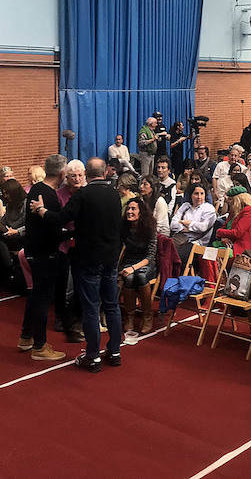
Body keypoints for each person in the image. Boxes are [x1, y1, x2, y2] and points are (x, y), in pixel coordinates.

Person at [33, 158, 123, 371]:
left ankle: (93, 356)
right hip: (111, 257)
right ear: (105, 173)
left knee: (91, 306)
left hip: (88, 258)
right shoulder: (114, 193)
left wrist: (41, 210)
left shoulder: (83, 194)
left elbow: (61, 217)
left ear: (86, 174)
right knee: (111, 305)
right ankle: (115, 351)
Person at [19, 154, 69, 361]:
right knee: (41, 299)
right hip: (45, 254)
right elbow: (56, 229)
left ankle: (26, 337)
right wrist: (72, 233)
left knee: (35, 296)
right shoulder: (50, 196)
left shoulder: (36, 190)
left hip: (32, 250)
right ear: (62, 173)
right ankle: (39, 346)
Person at [116, 198, 159, 338]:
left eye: (133, 209)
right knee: (129, 278)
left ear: (141, 212)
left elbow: (151, 256)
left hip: (146, 263)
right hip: (129, 261)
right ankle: (129, 317)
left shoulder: (150, 226)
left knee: (139, 276)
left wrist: (133, 268)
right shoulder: (124, 227)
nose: (129, 211)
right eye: (128, 209)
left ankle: (147, 315)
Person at [215, 187, 251, 257]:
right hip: (230, 245)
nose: (228, 201)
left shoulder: (249, 211)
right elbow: (224, 227)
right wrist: (223, 238)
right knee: (207, 254)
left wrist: (219, 232)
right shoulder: (233, 212)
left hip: (244, 250)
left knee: (212, 255)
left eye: (230, 199)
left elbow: (237, 233)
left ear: (238, 200)